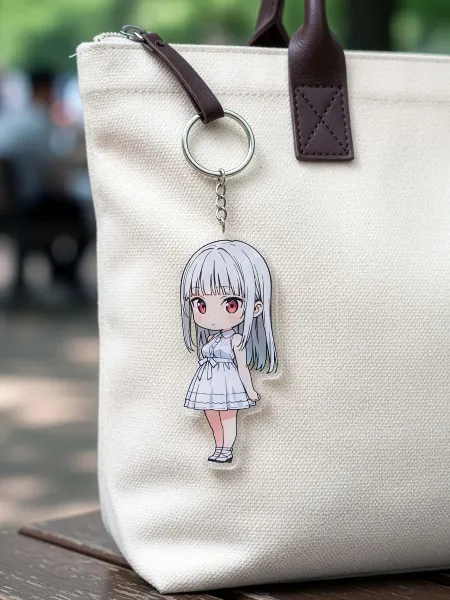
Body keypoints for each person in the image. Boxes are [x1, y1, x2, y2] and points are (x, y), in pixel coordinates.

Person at [180, 240, 278, 465]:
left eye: (230, 304)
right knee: (210, 413)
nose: (211, 315)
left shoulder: (236, 339)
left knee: (227, 414)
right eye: (200, 304)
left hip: (228, 382)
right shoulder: (211, 339)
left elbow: (242, 367)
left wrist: (250, 391)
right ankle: (219, 446)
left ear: (256, 307)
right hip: (208, 382)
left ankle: (227, 449)